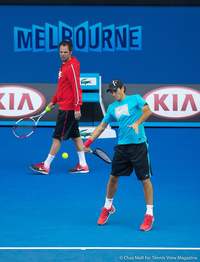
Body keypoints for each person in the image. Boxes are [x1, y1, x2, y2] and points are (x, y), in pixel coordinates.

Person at [84, 79, 154, 231]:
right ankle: (108, 207)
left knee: (145, 180)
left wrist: (137, 123)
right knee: (112, 178)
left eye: (116, 90)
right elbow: (102, 126)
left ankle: (149, 215)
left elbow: (148, 111)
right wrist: (87, 143)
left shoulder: (135, 98)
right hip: (122, 147)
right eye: (111, 91)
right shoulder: (111, 108)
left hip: (139, 146)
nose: (114, 94)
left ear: (123, 88)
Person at [29, 40, 89, 175]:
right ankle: (83, 165)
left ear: (71, 52)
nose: (62, 54)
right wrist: (54, 100)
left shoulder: (72, 66)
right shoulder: (63, 65)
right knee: (75, 135)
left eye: (65, 52)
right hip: (64, 105)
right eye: (61, 52)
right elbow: (62, 87)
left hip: (68, 108)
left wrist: (77, 106)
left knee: (57, 137)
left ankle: (46, 165)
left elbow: (76, 87)